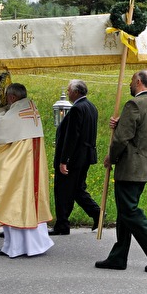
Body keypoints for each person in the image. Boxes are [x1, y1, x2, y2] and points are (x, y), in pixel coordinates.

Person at [96, 70, 147, 272]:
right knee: (124, 212)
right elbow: (142, 131)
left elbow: (122, 138)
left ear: (138, 82)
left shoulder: (134, 104)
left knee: (129, 210)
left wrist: (111, 157)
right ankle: (118, 256)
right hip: (144, 165)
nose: (130, 84)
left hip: (130, 166)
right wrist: (121, 123)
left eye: (131, 81)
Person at [0, 82, 54, 257]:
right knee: (30, 202)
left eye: (7, 97)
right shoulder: (31, 107)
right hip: (32, 167)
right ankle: (33, 245)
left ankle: (15, 247)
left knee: (13, 201)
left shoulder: (15, 113)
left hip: (19, 170)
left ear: (13, 97)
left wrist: (0, 109)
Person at [51, 79, 101, 235]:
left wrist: (64, 160)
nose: (67, 93)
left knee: (63, 190)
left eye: (69, 90)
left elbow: (72, 137)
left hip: (74, 158)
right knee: (78, 189)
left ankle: (62, 224)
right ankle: (97, 213)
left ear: (77, 92)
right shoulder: (91, 107)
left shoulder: (77, 109)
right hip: (85, 156)